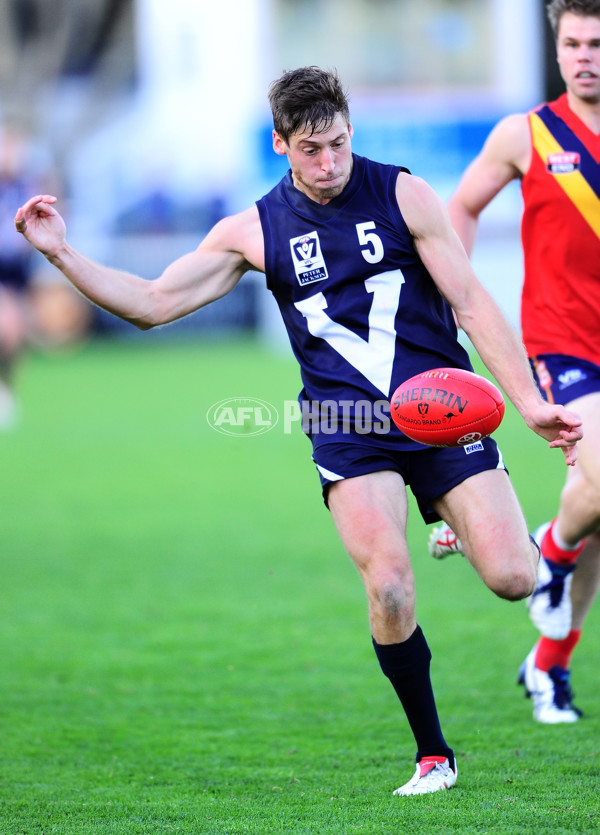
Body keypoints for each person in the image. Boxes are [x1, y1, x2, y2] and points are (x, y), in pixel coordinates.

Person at [14, 66, 581, 796]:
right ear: (281, 143)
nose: (330, 163)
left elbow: (471, 303)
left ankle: (453, 516)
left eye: (340, 144)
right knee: (390, 587)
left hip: (440, 409)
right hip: (347, 428)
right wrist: (60, 252)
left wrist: (530, 402)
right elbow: (153, 303)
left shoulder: (404, 194)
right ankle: (433, 753)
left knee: (514, 577)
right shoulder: (254, 230)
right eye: (312, 149)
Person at [428, 0, 600, 725]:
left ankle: (547, 664)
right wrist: (454, 290)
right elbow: (457, 208)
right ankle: (551, 552)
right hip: (561, 344)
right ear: (556, 49)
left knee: (598, 512)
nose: (587, 54)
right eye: (574, 43)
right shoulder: (525, 135)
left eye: (598, 42)